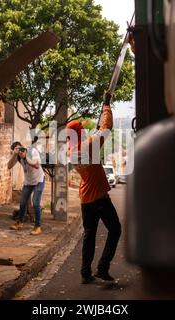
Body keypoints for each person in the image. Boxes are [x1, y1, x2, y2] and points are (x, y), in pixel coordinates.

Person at [66, 92, 121, 284]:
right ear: (81, 133)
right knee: (115, 229)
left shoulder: (72, 152)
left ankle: (85, 273)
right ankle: (102, 268)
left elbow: (95, 135)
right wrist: (106, 105)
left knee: (89, 235)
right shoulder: (88, 146)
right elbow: (106, 128)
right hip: (99, 198)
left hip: (85, 199)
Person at [7, 141, 45, 235]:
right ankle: (20, 222)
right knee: (23, 203)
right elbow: (9, 166)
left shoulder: (32, 152)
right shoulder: (18, 156)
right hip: (28, 182)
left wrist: (26, 157)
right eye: (17, 150)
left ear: (23, 147)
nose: (20, 151)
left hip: (39, 180)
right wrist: (15, 155)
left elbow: (37, 165)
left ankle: (38, 226)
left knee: (36, 203)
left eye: (20, 149)